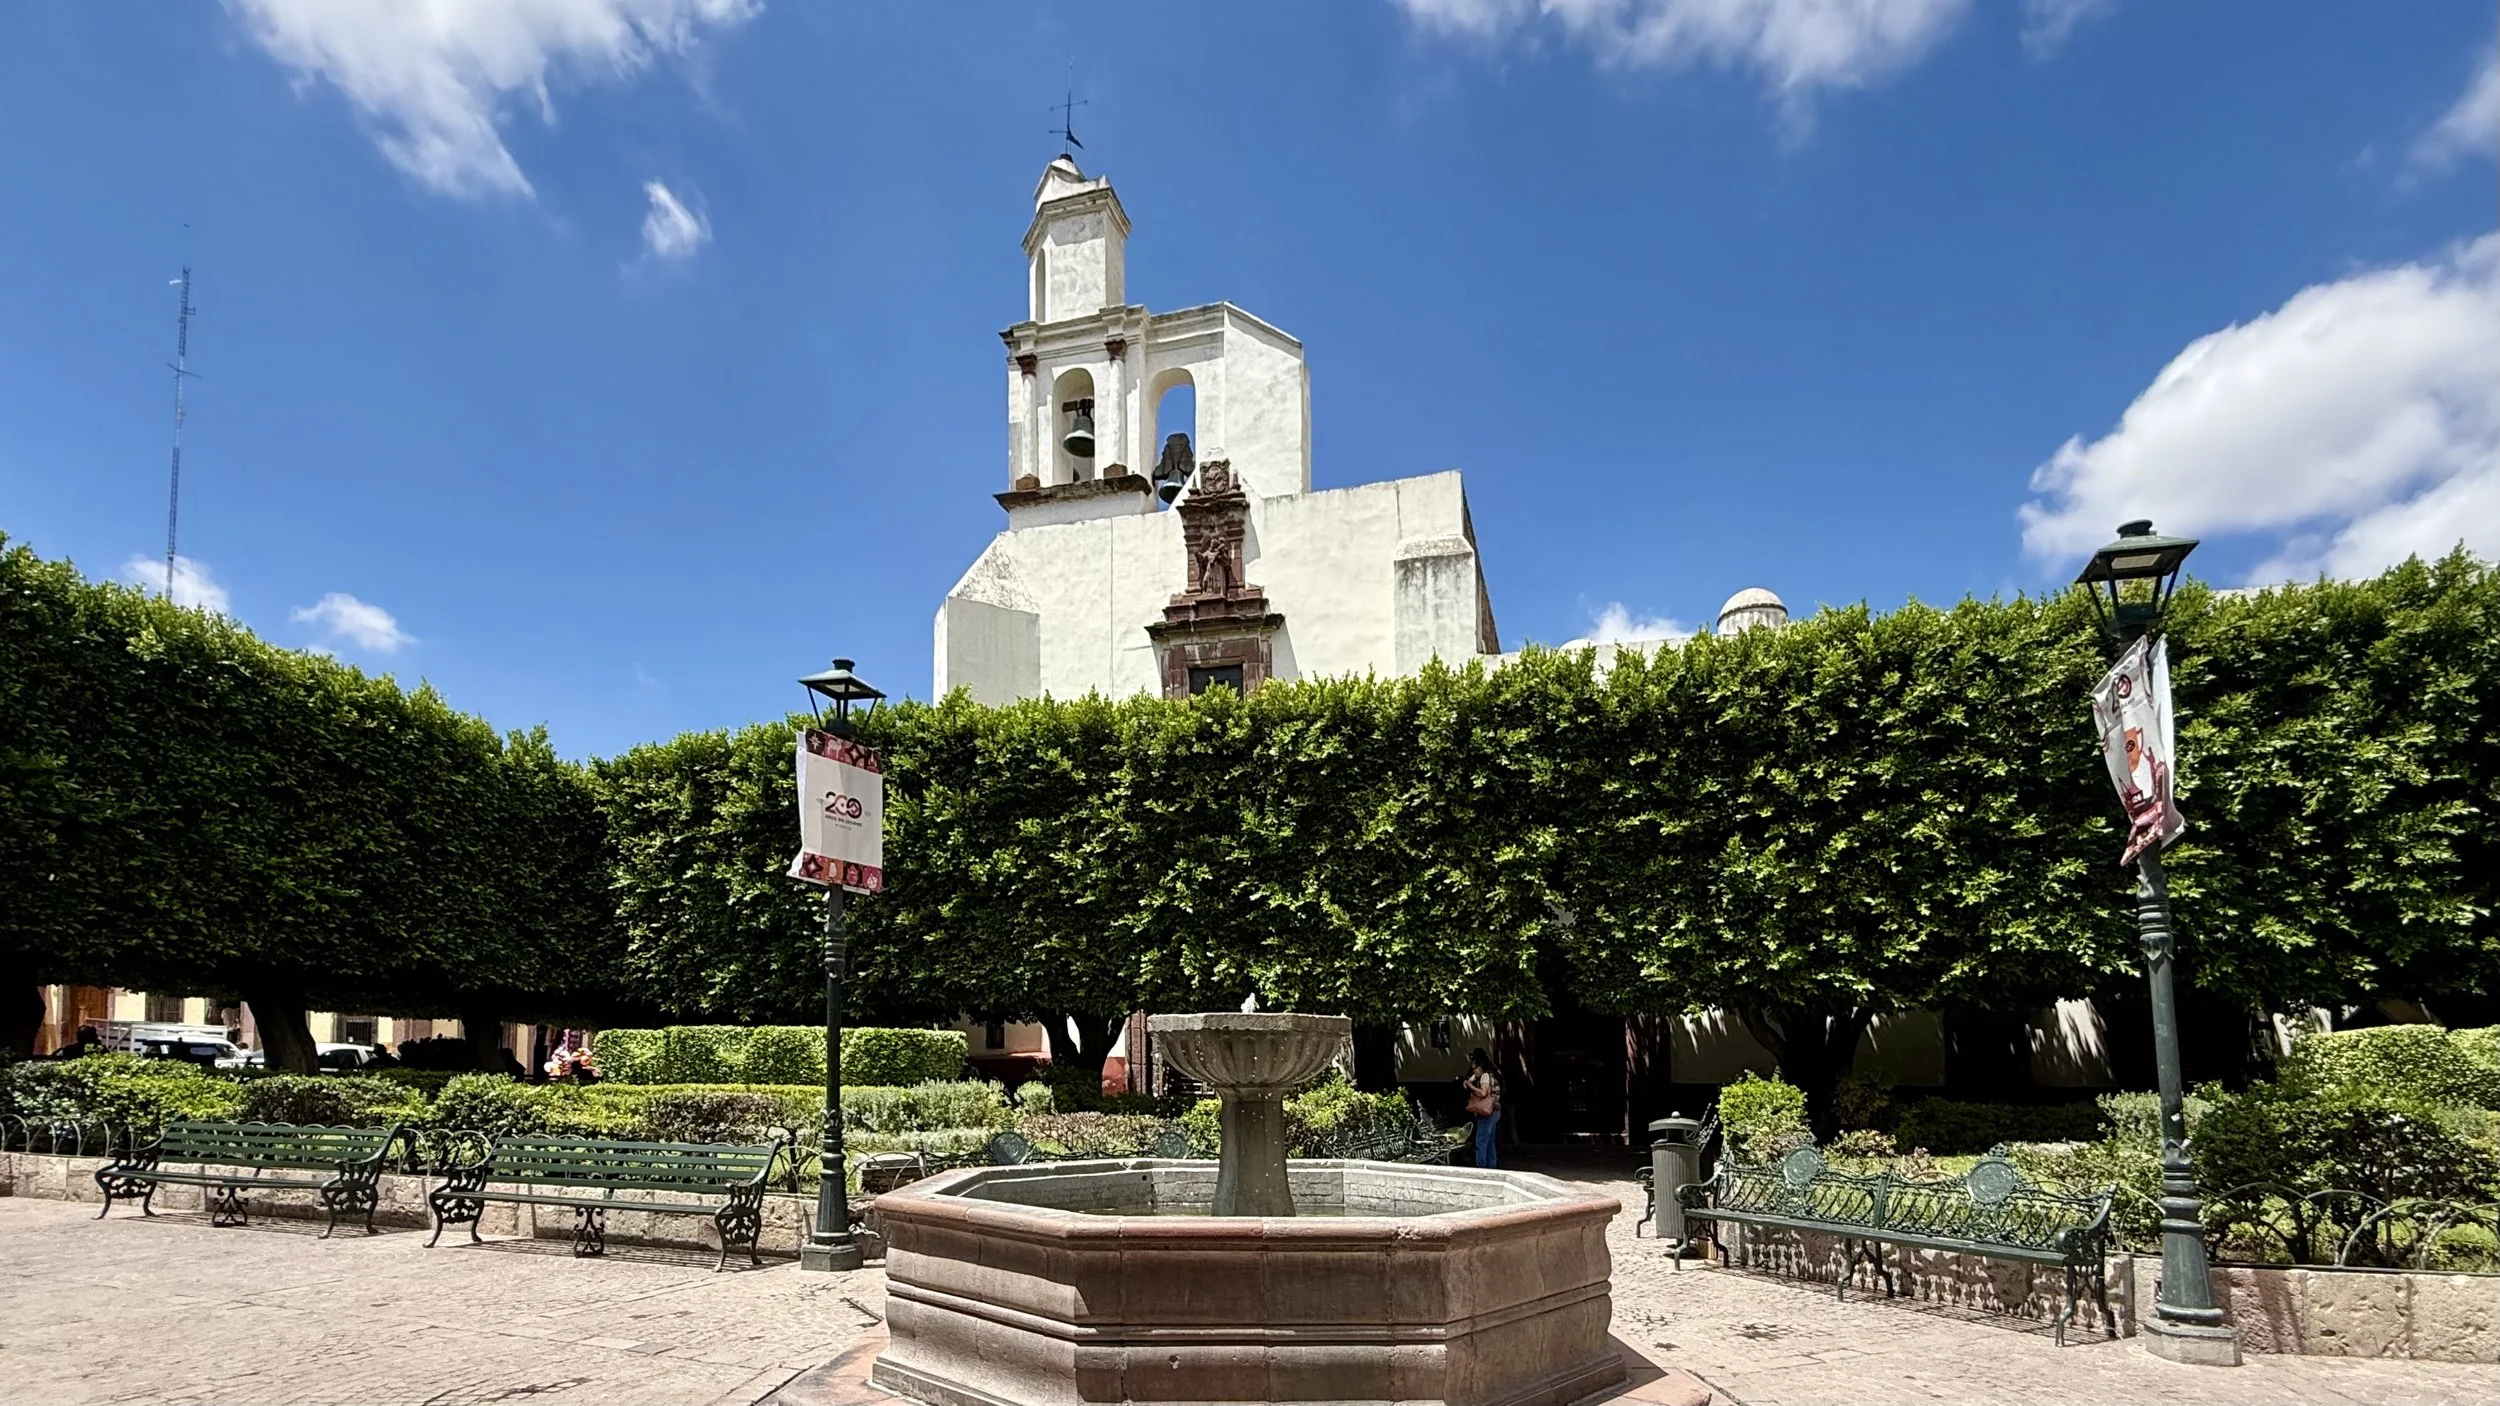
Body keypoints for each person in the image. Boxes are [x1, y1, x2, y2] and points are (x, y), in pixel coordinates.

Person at [1462, 1048, 1502, 1169]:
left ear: (1480, 1066)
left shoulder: (1485, 1076)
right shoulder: (1491, 1074)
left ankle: (1481, 1167)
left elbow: (1483, 1093)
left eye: (1474, 1067)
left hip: (1486, 1113)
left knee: (1481, 1141)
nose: (1473, 1070)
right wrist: (1472, 1078)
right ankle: (1492, 1167)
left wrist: (1470, 1085)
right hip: (1494, 1112)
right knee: (1490, 1142)